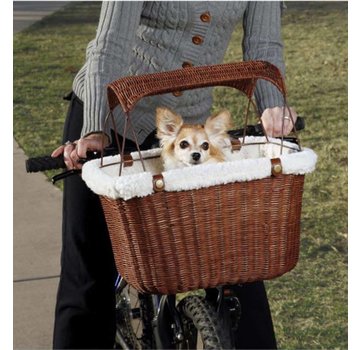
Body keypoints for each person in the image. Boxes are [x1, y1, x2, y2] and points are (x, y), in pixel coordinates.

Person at [51, 2, 297, 349]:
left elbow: (264, 46)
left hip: (186, 134)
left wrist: (274, 108)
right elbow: (109, 48)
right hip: (110, 118)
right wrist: (95, 128)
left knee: (236, 265)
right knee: (89, 274)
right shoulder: (100, 123)